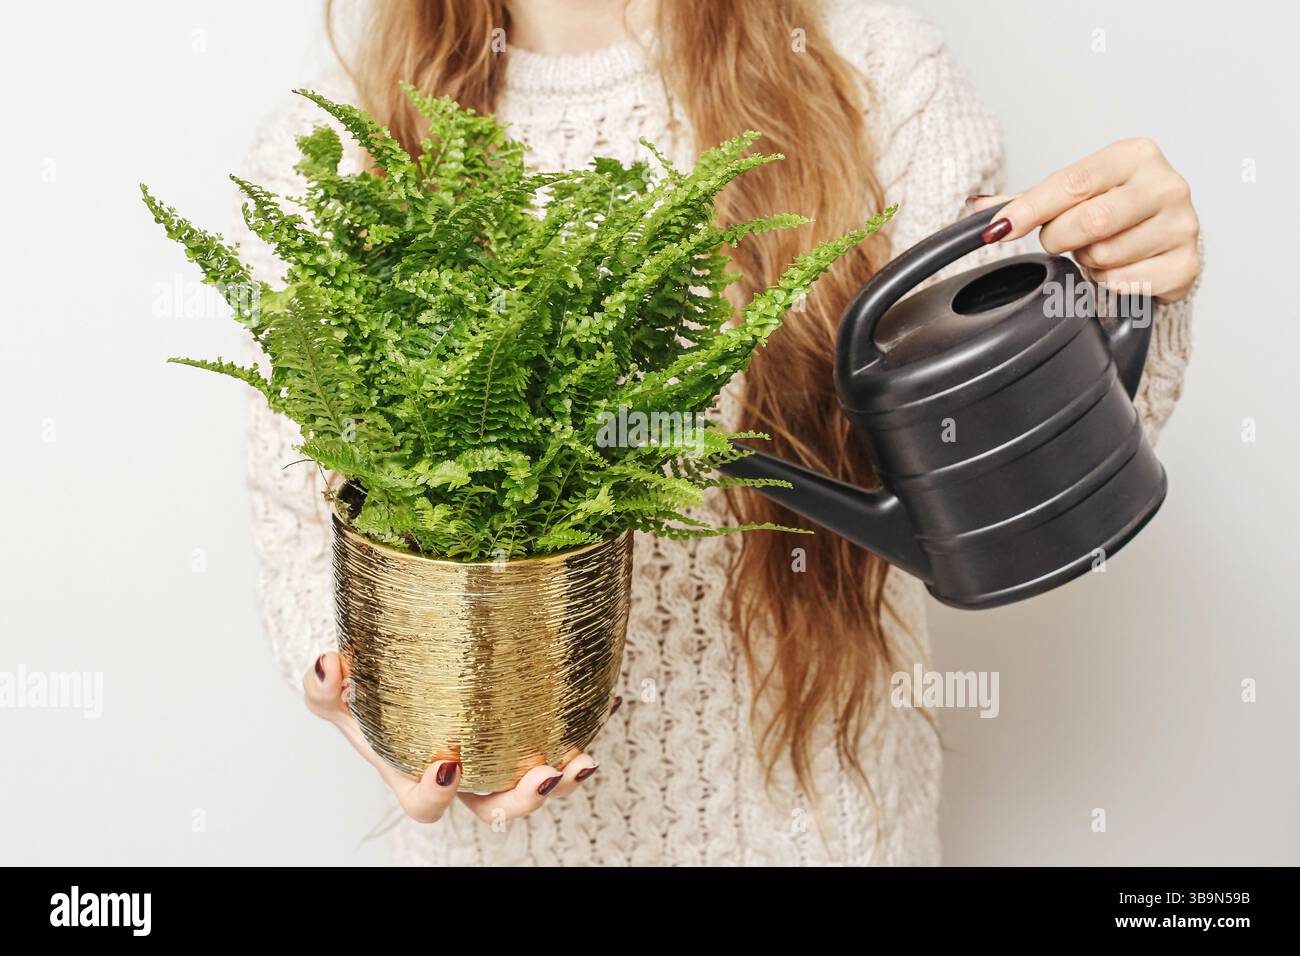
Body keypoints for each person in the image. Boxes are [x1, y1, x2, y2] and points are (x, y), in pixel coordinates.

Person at [236, 0, 1199, 865]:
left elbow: (1011, 470)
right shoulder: (339, 139)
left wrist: (1124, 291)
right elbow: (296, 518)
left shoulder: (873, 70)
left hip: (828, 838)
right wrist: (382, 704)